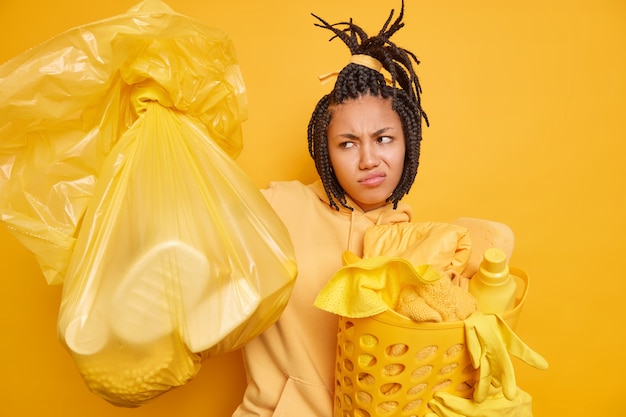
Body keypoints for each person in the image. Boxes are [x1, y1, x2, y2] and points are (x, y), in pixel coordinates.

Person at [232, 3, 428, 416]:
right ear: (325, 151)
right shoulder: (277, 206)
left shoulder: (419, 244)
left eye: (384, 138)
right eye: (348, 143)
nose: (369, 160)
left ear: (407, 140)